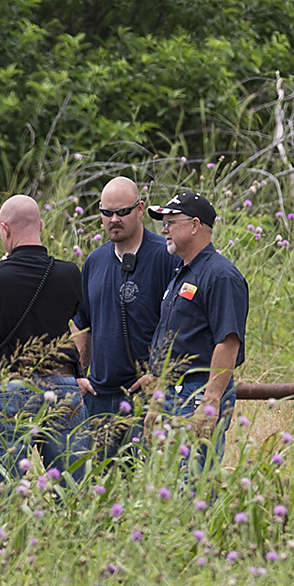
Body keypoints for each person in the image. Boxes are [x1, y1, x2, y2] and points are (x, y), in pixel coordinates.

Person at [0, 194, 85, 478]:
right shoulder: (69, 273)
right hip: (62, 384)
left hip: (10, 386)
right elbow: (73, 316)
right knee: (72, 484)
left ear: (5, 229)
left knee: (5, 486)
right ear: (41, 226)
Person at [144, 192, 249, 474]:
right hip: (172, 392)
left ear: (194, 225)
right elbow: (172, 344)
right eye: (163, 224)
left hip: (198, 391)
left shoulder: (221, 275)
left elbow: (228, 340)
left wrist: (210, 400)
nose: (164, 230)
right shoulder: (182, 274)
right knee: (163, 481)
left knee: (192, 482)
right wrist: (158, 397)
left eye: (170, 223)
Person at [72, 176, 173, 458]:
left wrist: (160, 376)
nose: (114, 220)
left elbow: (180, 325)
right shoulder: (94, 261)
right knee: (97, 478)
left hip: (145, 396)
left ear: (140, 209)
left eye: (122, 212)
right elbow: (83, 326)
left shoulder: (165, 256)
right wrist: (77, 375)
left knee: (144, 476)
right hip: (99, 397)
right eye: (107, 213)